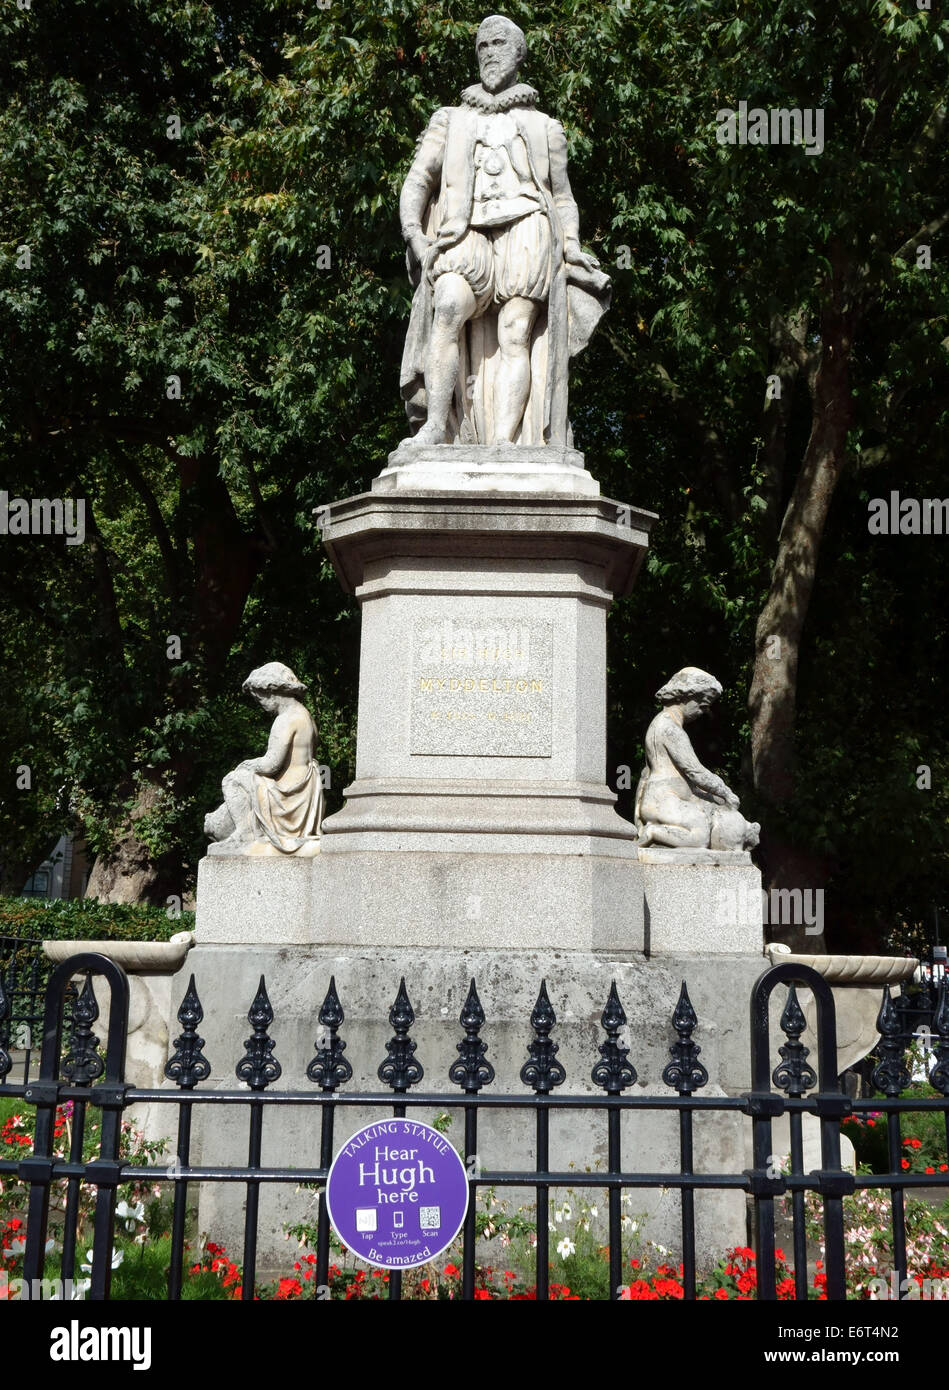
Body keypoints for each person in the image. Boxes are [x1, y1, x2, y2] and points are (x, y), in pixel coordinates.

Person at [398, 13, 610, 448]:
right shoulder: (449, 119)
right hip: (464, 232)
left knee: (516, 331)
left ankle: (503, 443)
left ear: (519, 53)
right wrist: (415, 236)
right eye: (482, 47)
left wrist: (570, 245)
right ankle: (436, 425)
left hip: (527, 229)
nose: (489, 53)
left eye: (498, 45)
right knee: (449, 306)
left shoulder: (545, 127)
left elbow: (563, 197)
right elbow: (419, 180)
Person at [634, 667, 760, 852]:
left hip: (668, 800)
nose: (704, 711)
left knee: (714, 819)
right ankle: (653, 832)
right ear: (685, 696)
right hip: (664, 801)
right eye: (702, 705)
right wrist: (725, 792)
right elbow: (695, 772)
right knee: (700, 837)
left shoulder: (662, 723)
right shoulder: (670, 729)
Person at [204, 663, 323, 855]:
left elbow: (271, 764)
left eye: (259, 697)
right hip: (303, 792)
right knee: (244, 778)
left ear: (271, 690)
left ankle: (244, 833)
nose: (260, 703)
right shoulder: (305, 716)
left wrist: (247, 764)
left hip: (287, 794)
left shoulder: (286, 719)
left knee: (233, 779)